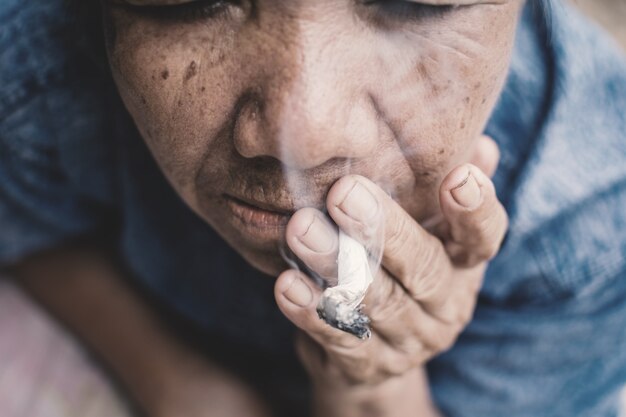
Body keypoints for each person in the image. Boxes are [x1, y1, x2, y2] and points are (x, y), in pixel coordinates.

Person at [1, 0, 625, 416]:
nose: (301, 133)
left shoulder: (593, 235)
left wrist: (373, 385)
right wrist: (179, 382)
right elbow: (28, 219)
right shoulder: (35, 63)